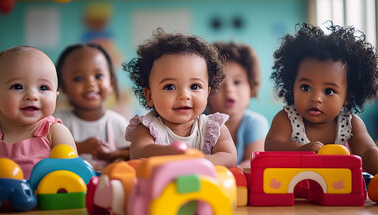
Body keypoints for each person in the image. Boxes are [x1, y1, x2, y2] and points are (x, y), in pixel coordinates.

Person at [265, 22, 378, 175]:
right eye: (306, 87)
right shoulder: (287, 119)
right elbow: (271, 145)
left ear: (348, 96)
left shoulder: (349, 123)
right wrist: (301, 149)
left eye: (329, 91)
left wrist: (373, 158)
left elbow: (366, 151)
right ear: (292, 85)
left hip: (336, 188)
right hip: (297, 186)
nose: (316, 98)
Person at [123, 29, 237, 167]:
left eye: (194, 86)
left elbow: (229, 158)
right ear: (149, 95)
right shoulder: (148, 128)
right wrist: (172, 153)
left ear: (207, 93)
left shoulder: (213, 128)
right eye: (170, 87)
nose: (184, 95)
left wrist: (194, 162)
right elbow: (139, 152)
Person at [0, 46, 77, 180]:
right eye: (18, 86)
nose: (32, 95)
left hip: (46, 200)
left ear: (55, 97)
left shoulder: (54, 132)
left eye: (43, 87)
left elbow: (73, 177)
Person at [55, 43, 130, 170]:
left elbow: (133, 152)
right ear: (63, 86)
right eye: (78, 78)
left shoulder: (117, 122)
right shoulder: (57, 122)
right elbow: (45, 150)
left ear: (111, 83)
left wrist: (113, 154)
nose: (90, 83)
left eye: (98, 76)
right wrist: (81, 147)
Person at [207, 42, 269, 168]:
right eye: (219, 84)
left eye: (237, 82)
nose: (229, 89)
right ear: (206, 90)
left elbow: (254, 164)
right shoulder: (196, 122)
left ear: (251, 86)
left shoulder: (256, 123)